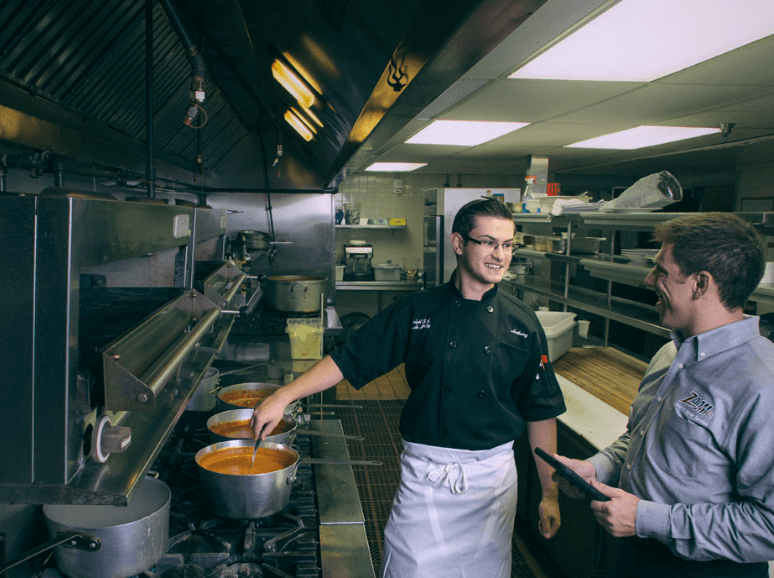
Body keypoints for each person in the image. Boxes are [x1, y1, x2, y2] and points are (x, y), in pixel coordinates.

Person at [251, 198, 566, 578]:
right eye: (487, 242)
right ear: (458, 243)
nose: (500, 255)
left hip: (492, 483)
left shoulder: (523, 323)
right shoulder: (418, 311)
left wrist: (550, 493)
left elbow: (541, 411)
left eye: (508, 245)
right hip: (425, 477)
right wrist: (283, 396)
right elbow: (350, 357)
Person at [551, 212, 774, 578]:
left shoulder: (762, 384)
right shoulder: (672, 354)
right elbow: (645, 440)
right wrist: (596, 467)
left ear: (700, 284)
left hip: (708, 570)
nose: (648, 279)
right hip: (637, 554)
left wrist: (649, 519)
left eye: (661, 270)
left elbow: (768, 526)